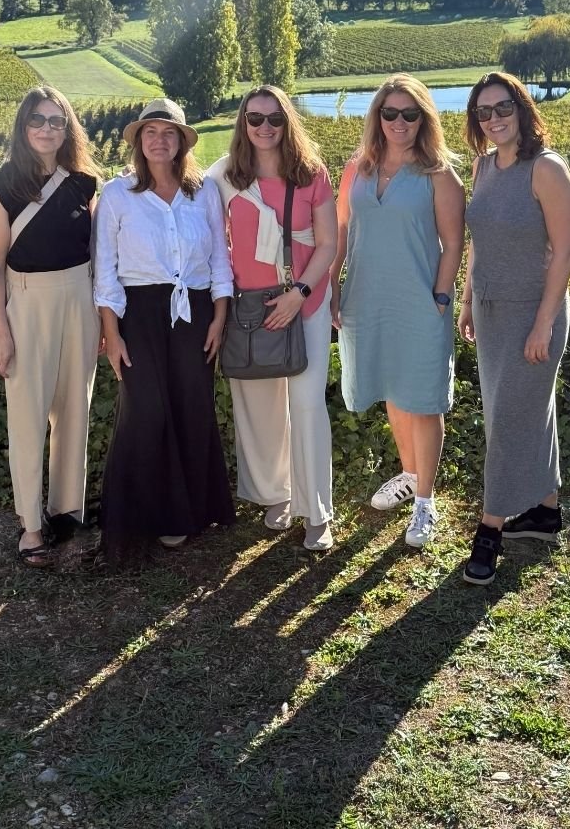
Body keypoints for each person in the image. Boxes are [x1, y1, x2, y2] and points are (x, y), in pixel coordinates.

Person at [94, 98, 235, 554]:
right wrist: (111, 333)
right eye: (150, 132)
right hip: (140, 314)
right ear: (139, 141)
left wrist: (219, 315)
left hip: (194, 312)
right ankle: (137, 517)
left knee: (192, 406)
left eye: (168, 133)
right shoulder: (118, 195)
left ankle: (189, 513)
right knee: (146, 409)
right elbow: (106, 270)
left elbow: (219, 258)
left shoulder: (203, 192)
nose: (159, 140)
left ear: (181, 143)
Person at [331, 74, 464, 550]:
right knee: (391, 389)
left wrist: (441, 297)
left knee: (423, 399)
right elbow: (341, 233)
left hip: (421, 302)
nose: (400, 122)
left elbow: (453, 244)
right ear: (378, 117)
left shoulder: (439, 174)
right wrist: (331, 285)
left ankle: (425, 501)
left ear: (423, 118)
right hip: (366, 299)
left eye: (410, 114)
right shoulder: (357, 170)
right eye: (391, 113)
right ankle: (409, 474)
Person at [458, 72, 570, 585]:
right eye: (483, 112)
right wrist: (466, 300)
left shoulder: (546, 169)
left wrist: (543, 324)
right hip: (490, 311)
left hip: (534, 314)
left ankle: (490, 532)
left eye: (502, 107)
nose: (494, 119)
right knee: (527, 411)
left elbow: (566, 250)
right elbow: (477, 244)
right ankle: (546, 512)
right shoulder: (484, 167)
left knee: (507, 420)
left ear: (521, 108)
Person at [208, 86, 338, 551]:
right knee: (259, 405)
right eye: (255, 118)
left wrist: (299, 294)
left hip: (307, 301)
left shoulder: (310, 174)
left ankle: (317, 512)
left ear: (288, 123)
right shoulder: (223, 177)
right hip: (251, 307)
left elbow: (328, 243)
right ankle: (276, 494)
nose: (265, 127)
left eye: (275, 119)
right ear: (243, 123)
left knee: (305, 405)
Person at [0, 85, 102, 567]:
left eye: (56, 120)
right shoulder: (1, 186)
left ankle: (67, 512)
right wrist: (2, 333)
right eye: (37, 119)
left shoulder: (85, 183)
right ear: (22, 126)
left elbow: (98, 255)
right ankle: (32, 526)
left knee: (75, 411)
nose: (47, 129)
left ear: (67, 127)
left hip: (79, 299)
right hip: (26, 303)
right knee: (29, 416)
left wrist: (100, 317)